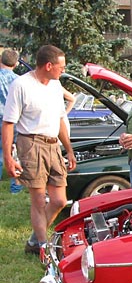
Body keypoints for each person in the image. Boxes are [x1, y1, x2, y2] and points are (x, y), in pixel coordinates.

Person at [1, 45, 77, 255]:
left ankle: (35, 240)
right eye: (61, 67)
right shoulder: (21, 85)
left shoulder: (55, 85)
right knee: (38, 199)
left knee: (60, 200)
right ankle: (44, 247)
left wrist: (68, 150)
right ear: (48, 65)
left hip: (54, 145)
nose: (63, 70)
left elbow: (60, 119)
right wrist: (8, 157)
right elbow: (8, 123)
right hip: (31, 143)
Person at [0, 48, 20, 190]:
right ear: (16, 64)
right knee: (14, 151)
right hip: (12, 119)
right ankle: (16, 186)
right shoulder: (19, 81)